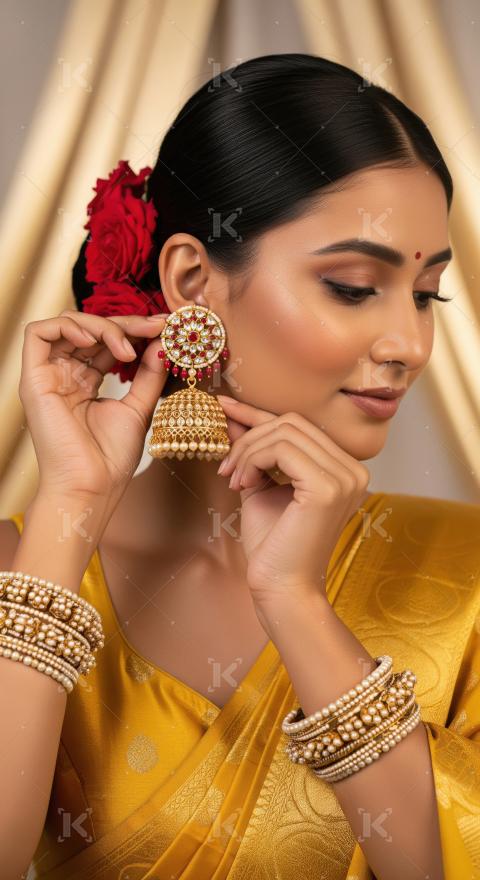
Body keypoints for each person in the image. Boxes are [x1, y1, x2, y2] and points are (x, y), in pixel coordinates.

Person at [1, 52, 479, 880]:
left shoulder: (467, 576)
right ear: (193, 281)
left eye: (427, 294)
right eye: (355, 286)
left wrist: (294, 602)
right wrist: (69, 509)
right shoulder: (26, 566)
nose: (410, 345)